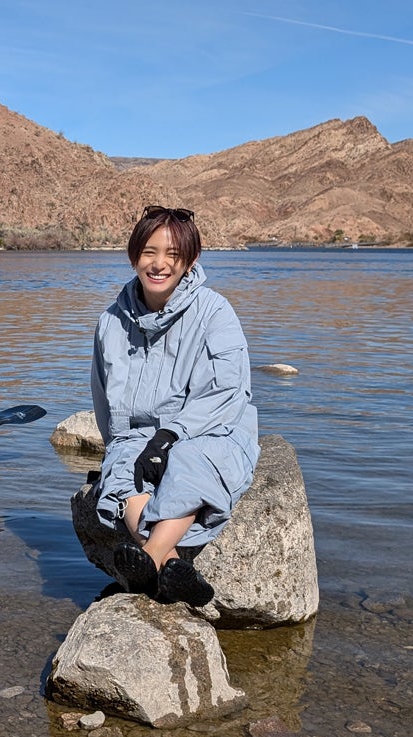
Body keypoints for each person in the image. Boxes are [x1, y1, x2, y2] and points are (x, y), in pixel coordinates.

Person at [89, 205, 259, 606]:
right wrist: (120, 445)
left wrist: (170, 435)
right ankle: (170, 569)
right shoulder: (111, 322)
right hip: (139, 433)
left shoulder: (215, 311)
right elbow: (103, 396)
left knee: (190, 463)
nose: (159, 264)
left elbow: (226, 392)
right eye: (149, 251)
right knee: (122, 475)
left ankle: (147, 558)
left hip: (210, 428)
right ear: (134, 255)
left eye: (172, 255)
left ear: (191, 260)